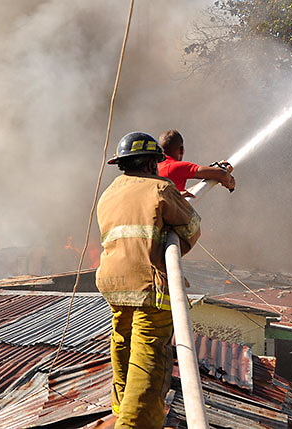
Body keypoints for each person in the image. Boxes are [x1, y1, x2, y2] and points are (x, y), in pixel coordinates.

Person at [96, 131, 201, 428]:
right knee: (148, 357)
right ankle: (134, 423)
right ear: (152, 164)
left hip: (113, 285)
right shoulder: (160, 188)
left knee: (122, 342)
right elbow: (192, 227)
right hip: (148, 284)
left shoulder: (109, 193)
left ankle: (119, 406)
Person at [157, 129, 235, 197]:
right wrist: (228, 179)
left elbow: (179, 194)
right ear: (181, 150)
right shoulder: (177, 167)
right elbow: (222, 174)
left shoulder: (153, 167)